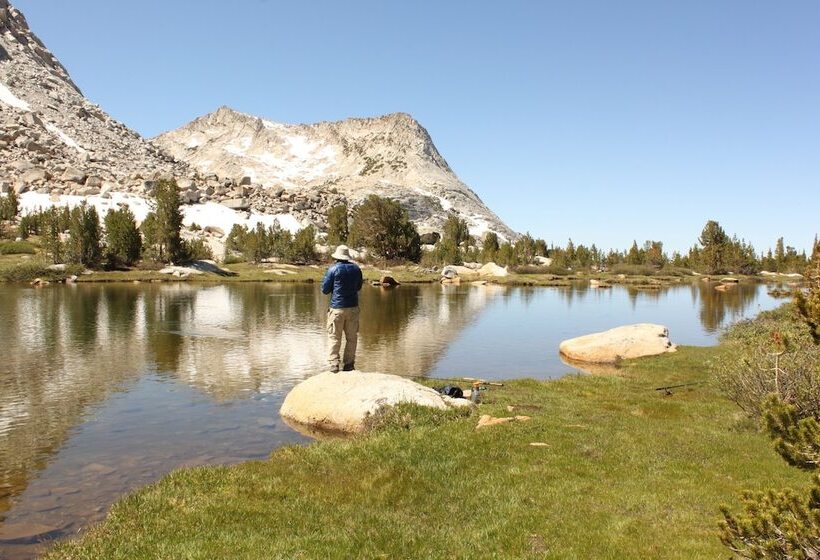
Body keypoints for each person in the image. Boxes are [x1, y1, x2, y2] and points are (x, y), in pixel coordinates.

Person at [321, 245, 364, 372]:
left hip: (337, 308)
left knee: (334, 337)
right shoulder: (356, 269)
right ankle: (349, 364)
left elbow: (325, 290)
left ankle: (334, 364)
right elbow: (358, 287)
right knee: (352, 338)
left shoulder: (333, 269)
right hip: (353, 308)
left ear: (337, 257)